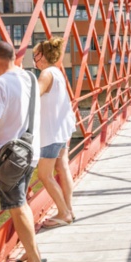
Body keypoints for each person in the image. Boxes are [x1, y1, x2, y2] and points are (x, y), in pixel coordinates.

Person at [0, 41, 45, 262]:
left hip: (8, 158)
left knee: (16, 205)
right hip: (30, 152)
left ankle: (33, 261)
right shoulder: (31, 78)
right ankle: (32, 251)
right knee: (21, 201)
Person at [33, 38, 76, 228]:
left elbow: (34, 96)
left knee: (44, 175)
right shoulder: (58, 72)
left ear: (42, 56)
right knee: (63, 168)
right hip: (62, 129)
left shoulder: (46, 74)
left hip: (50, 132)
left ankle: (64, 213)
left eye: (35, 54)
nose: (33, 58)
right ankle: (68, 209)